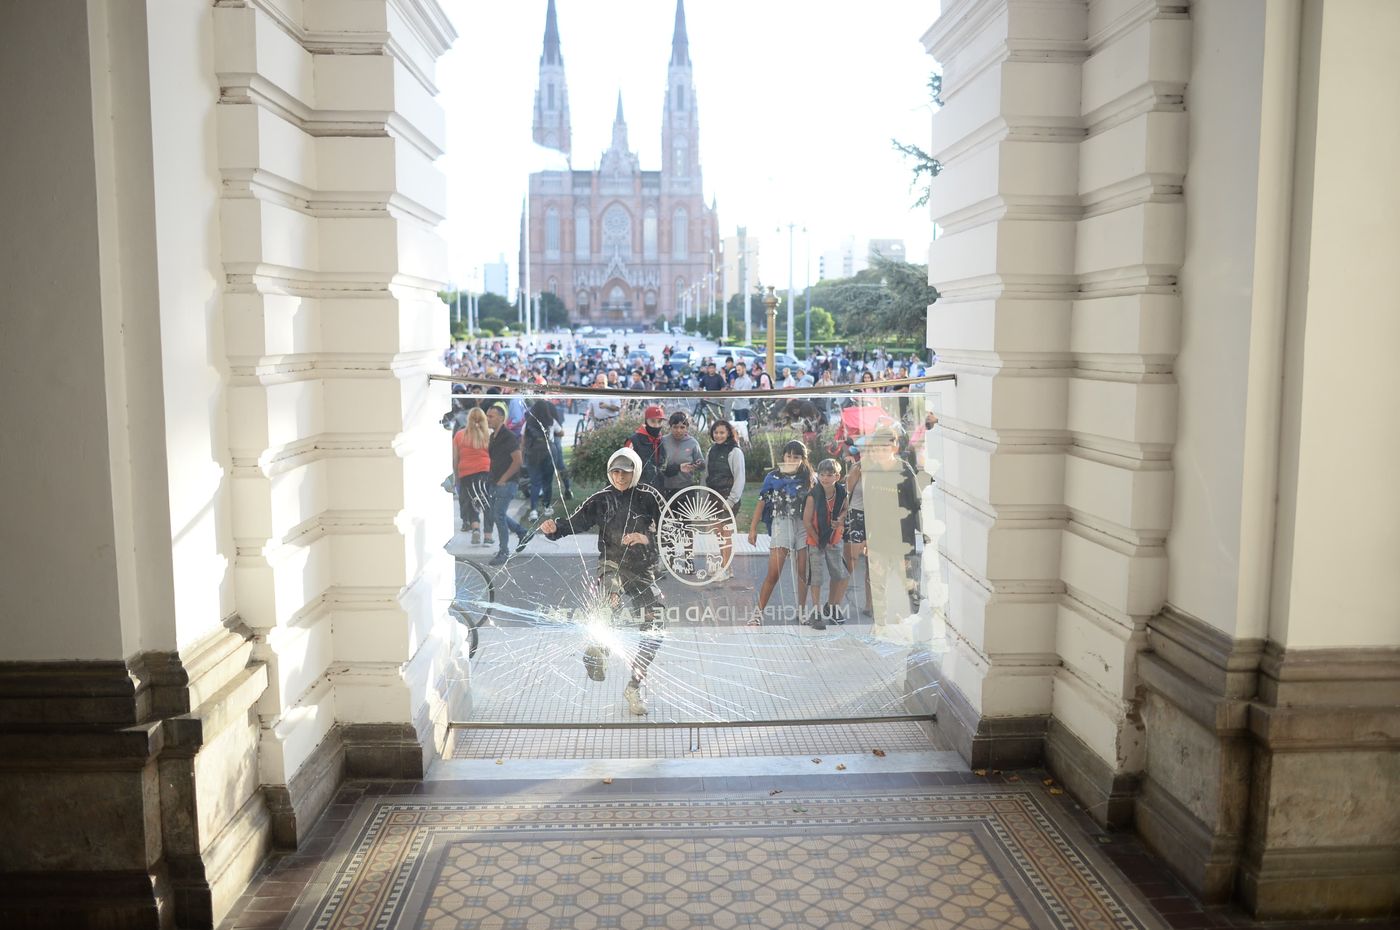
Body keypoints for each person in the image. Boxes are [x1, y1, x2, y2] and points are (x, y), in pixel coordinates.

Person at [539, 447, 666, 716]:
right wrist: (554, 529)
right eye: (615, 471)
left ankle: (635, 685)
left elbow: (671, 535)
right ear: (609, 472)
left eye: (626, 471)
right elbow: (575, 523)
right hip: (612, 566)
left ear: (636, 471)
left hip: (643, 569)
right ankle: (597, 649)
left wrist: (645, 538)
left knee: (655, 625)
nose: (620, 477)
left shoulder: (649, 498)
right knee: (611, 602)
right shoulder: (600, 499)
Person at [861, 427, 928, 629]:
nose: (880, 452)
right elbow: (869, 507)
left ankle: (903, 622)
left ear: (895, 447)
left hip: (901, 539)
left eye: (884, 448)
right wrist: (865, 537)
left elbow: (917, 505)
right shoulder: (872, 473)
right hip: (878, 539)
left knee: (903, 584)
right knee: (878, 584)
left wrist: (923, 532)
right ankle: (880, 624)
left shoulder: (905, 471)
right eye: (876, 449)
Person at [747, 440, 812, 626]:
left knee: (803, 571)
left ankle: (802, 611)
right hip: (781, 522)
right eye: (788, 455)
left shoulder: (809, 477)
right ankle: (757, 614)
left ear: (802, 459)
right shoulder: (773, 477)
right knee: (774, 573)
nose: (791, 459)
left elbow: (815, 505)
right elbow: (761, 502)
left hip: (803, 524)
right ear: (783, 456)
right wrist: (752, 528)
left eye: (796, 457)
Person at [802, 458, 851, 629]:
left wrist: (841, 520)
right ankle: (815, 612)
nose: (825, 478)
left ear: (837, 476)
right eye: (822, 475)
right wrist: (819, 541)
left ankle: (832, 606)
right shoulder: (813, 495)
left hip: (834, 539)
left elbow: (845, 509)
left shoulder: (841, 492)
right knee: (816, 577)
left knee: (839, 574)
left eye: (829, 475)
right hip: (816, 540)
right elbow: (807, 521)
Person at [659, 411, 706, 573]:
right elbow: (660, 467)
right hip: (667, 489)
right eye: (675, 427)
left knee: (687, 528)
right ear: (670, 427)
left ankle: (689, 560)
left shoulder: (692, 443)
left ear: (687, 427)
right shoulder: (663, 441)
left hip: (686, 490)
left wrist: (698, 464)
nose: (679, 430)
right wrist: (677, 468)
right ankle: (669, 560)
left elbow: (702, 463)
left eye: (682, 427)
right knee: (667, 526)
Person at [484, 404, 528, 565]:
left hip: (507, 483)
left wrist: (503, 478)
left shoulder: (508, 436)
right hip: (495, 481)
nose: (488, 419)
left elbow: (518, 461)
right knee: (496, 513)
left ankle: (504, 552)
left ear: (501, 418)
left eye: (491, 416)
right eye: (487, 416)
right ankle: (522, 531)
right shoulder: (493, 436)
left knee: (498, 515)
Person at [705, 420, 746, 582]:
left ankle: (725, 568)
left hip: (728, 498)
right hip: (713, 497)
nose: (718, 435)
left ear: (728, 433)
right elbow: (707, 475)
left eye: (722, 432)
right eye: (716, 432)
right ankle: (726, 566)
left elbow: (740, 478)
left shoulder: (735, 452)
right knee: (718, 534)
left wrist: (731, 500)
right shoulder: (711, 450)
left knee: (726, 534)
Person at [452, 407, 492, 546]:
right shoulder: (489, 434)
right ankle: (488, 537)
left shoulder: (459, 435)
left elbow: (455, 458)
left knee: (471, 502)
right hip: (485, 471)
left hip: (466, 472)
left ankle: (475, 529)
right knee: (487, 503)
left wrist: (456, 476)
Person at [521, 398, 557, 522]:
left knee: (535, 482)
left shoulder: (528, 422)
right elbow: (560, 432)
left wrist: (522, 455)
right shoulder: (551, 421)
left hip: (533, 454)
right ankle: (547, 507)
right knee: (547, 481)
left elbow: (523, 440)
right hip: (549, 453)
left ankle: (534, 510)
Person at [625, 404, 669, 493]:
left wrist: (679, 468)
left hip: (657, 491)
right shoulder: (633, 441)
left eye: (659, 421)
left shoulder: (663, 441)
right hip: (637, 490)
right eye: (653, 421)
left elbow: (663, 468)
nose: (656, 425)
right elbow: (625, 467)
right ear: (646, 421)